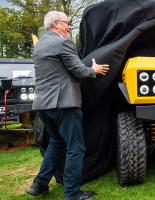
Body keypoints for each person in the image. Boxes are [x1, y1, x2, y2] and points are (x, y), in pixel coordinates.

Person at [27, 11, 110, 200]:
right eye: (67, 23)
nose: (69, 27)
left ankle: (39, 185)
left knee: (56, 142)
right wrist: (94, 70)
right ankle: (72, 194)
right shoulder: (62, 43)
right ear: (56, 24)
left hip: (42, 105)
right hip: (64, 104)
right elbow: (79, 70)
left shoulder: (38, 46)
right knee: (76, 148)